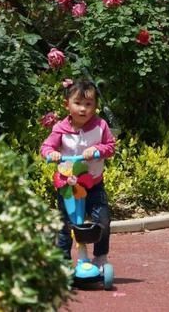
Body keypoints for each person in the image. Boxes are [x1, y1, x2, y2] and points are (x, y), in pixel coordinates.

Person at [41, 79, 116, 270]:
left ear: (95, 106)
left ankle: (100, 257)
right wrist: (52, 154)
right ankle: (62, 261)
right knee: (65, 225)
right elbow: (46, 147)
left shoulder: (100, 126)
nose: (83, 109)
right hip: (69, 186)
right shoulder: (60, 129)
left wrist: (98, 150)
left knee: (102, 221)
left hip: (94, 185)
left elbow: (110, 146)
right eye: (78, 103)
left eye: (88, 104)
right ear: (67, 105)